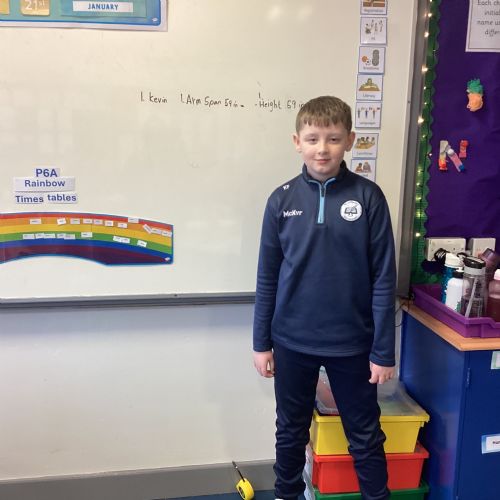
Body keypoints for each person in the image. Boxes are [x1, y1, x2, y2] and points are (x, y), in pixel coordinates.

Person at [252, 95, 396, 500]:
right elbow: (267, 278)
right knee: (290, 431)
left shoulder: (369, 198)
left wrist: (384, 352)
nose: (322, 148)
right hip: (292, 340)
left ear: (349, 140)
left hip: (352, 343)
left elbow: (384, 279)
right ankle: (287, 495)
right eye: (313, 138)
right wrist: (261, 343)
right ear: (297, 141)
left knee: (365, 435)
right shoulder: (280, 200)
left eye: (333, 139)